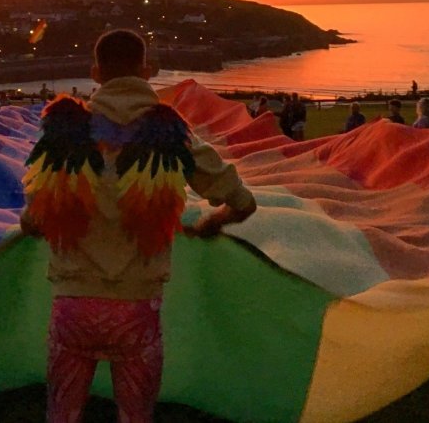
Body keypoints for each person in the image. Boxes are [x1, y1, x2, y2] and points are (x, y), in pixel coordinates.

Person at [20, 29, 257, 422]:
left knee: (62, 414)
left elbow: (36, 216)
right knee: (136, 415)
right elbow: (243, 202)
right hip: (136, 310)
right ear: (147, 70)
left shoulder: (66, 133)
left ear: (95, 72)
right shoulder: (170, 134)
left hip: (73, 305)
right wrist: (216, 221)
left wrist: (34, 225)